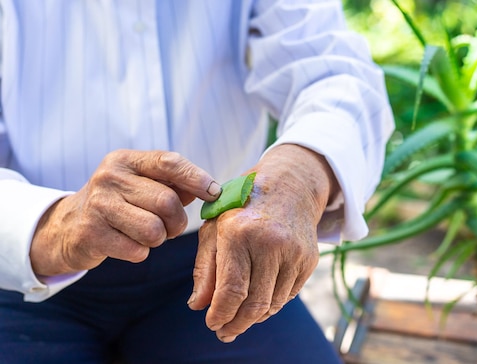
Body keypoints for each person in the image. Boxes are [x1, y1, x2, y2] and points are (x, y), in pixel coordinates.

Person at [0, 1, 394, 363]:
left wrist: (300, 177)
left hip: (220, 269)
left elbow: (333, 69)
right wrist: (54, 226)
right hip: (19, 271)